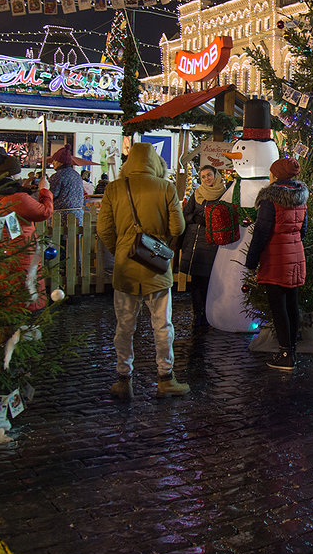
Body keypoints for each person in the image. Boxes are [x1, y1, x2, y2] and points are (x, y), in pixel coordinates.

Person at [97, 142, 188, 399]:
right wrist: (158, 244)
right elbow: (178, 227)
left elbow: (104, 230)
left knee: (124, 326)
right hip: (156, 266)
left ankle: (123, 379)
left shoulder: (114, 188)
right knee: (162, 325)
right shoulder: (165, 187)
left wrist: (123, 250)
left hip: (125, 267)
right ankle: (165, 378)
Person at [245, 157, 308, 370]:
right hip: (295, 254)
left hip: (275, 255)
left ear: (276, 175)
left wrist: (251, 261)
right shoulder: (301, 196)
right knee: (292, 304)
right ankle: (292, 351)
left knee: (278, 306)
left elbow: (262, 232)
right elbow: (303, 230)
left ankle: (285, 354)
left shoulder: (270, 199)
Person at [0, 154, 54, 314]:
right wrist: (45, 190)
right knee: (25, 308)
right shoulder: (18, 199)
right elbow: (45, 212)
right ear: (12, 175)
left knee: (0, 305)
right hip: (21, 258)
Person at [180, 164, 226, 331]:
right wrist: (194, 218)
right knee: (196, 281)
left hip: (212, 242)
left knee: (209, 280)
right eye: (203, 176)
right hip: (194, 243)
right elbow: (185, 214)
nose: (207, 179)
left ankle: (208, 313)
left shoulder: (224, 193)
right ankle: (197, 313)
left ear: (216, 174)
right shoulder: (197, 194)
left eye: (209, 175)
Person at [47, 144, 86, 224]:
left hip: (61, 216)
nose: (53, 163)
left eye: (54, 160)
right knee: (74, 236)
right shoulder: (77, 175)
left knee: (58, 236)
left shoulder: (57, 176)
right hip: (78, 215)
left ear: (60, 162)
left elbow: (51, 194)